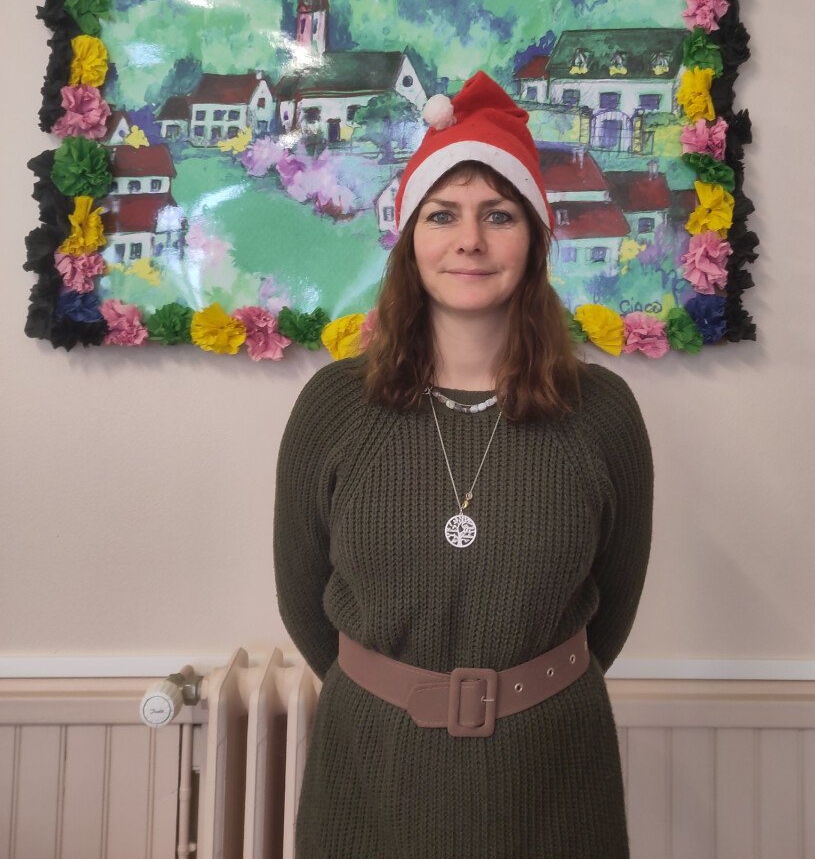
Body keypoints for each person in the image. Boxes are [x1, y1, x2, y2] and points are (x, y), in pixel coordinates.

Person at [274, 71, 653, 858]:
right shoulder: (334, 407)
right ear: (410, 238)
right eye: (442, 214)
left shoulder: (603, 413)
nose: (469, 241)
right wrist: (402, 692)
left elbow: (610, 610)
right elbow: (305, 605)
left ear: (535, 239)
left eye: (498, 215)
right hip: (369, 770)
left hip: (553, 775)